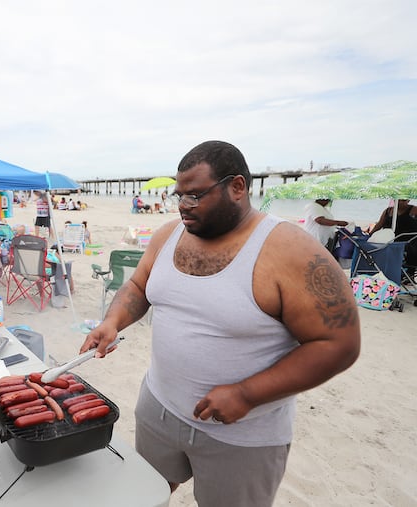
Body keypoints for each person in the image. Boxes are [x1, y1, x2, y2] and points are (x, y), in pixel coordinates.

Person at [80, 141, 360, 507]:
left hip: (241, 434)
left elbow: (339, 343)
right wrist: (113, 321)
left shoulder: (291, 250)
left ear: (237, 187)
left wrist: (247, 394)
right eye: (178, 196)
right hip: (158, 407)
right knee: (147, 495)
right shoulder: (167, 236)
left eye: (195, 196)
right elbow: (138, 285)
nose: (183, 206)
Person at [368, 199, 417, 268]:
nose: (400, 202)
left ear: (408, 200)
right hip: (389, 242)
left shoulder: (414, 210)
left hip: (409, 243)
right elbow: (378, 226)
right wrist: (369, 235)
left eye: (403, 200)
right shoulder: (388, 211)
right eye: (398, 200)